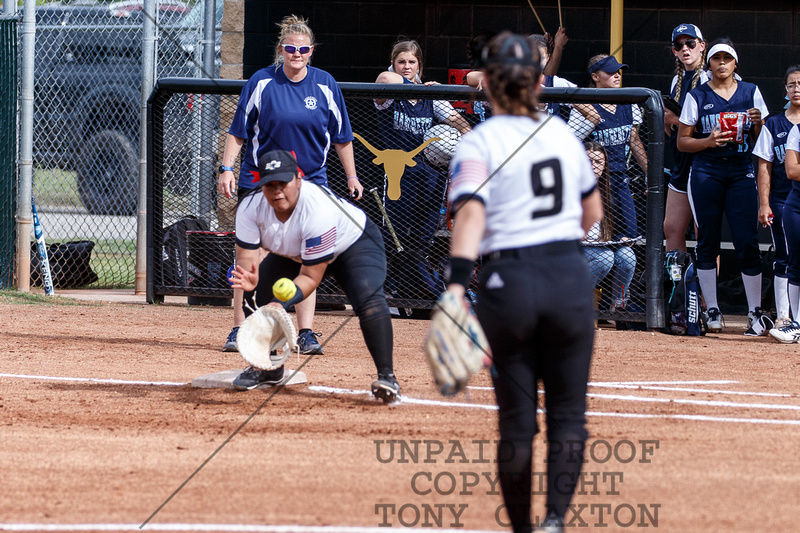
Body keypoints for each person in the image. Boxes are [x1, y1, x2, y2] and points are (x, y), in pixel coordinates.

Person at [445, 32, 602, 532]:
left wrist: (454, 286)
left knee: (516, 422)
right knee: (568, 416)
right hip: (567, 280)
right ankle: (555, 520)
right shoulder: (560, 135)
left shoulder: (478, 140)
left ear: (487, 83)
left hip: (506, 283)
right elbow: (590, 213)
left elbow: (469, 217)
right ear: (537, 82)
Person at [217, 15, 363, 355]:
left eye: (303, 49)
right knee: (250, 257)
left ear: (311, 51)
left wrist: (352, 176)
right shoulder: (262, 81)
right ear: (281, 50)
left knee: (307, 257)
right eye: (290, 48)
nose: (296, 54)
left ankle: (306, 332)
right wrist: (226, 168)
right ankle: (240, 328)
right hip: (259, 180)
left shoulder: (325, 84)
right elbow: (238, 131)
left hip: (310, 183)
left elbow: (342, 138)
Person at [228, 150, 400, 402]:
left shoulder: (317, 209)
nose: (277, 191)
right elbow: (247, 261)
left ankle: (387, 376)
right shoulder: (250, 208)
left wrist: (281, 303)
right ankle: (270, 368)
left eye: (283, 183)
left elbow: (310, 277)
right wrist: (251, 280)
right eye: (269, 185)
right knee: (253, 295)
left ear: (299, 180)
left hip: (353, 244)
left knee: (368, 300)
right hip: (297, 252)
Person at [677, 38, 769, 334]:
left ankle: (755, 311)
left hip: (741, 169)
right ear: (710, 62)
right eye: (716, 58)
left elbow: (763, 143)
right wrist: (708, 141)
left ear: (735, 64)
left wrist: (757, 124)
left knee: (746, 240)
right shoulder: (697, 95)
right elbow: (682, 142)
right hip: (707, 169)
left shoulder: (750, 92)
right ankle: (712, 308)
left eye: (726, 59)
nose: (721, 63)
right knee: (708, 239)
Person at [373, 39, 471, 300]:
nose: (406, 67)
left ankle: (415, 288)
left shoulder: (430, 94)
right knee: (393, 230)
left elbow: (456, 120)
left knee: (422, 235)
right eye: (401, 62)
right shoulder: (391, 88)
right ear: (393, 63)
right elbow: (384, 80)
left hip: (430, 175)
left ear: (420, 65)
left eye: (412, 62)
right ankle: (385, 288)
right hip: (398, 174)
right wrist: (414, 85)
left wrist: (469, 137)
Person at [568, 54, 649, 241]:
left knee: (629, 233)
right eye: (610, 71)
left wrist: (649, 173)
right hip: (595, 182)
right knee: (600, 235)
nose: (617, 75)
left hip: (620, 179)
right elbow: (571, 142)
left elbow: (635, 140)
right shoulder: (586, 109)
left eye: (618, 71)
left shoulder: (628, 103)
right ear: (595, 77)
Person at [753, 66, 800, 329]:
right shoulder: (774, 123)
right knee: (785, 254)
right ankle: (784, 315)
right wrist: (764, 202)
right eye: (792, 84)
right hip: (784, 200)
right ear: (785, 89)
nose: (797, 89)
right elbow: (764, 166)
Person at [663, 24, 708, 252]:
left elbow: (708, 129)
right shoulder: (676, 81)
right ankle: (677, 285)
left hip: (703, 164)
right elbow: (671, 133)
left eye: (690, 44)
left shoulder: (710, 80)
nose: (685, 49)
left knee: (704, 231)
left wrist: (674, 120)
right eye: (679, 45)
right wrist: (667, 122)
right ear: (674, 51)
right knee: (671, 227)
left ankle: (704, 289)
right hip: (681, 163)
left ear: (702, 46)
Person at [582, 141, 636, 312]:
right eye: (588, 161)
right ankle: (572, 298)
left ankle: (618, 305)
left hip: (602, 244)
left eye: (598, 162)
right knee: (604, 257)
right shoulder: (569, 186)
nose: (593, 166)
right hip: (577, 247)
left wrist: (623, 238)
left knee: (627, 256)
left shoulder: (611, 189)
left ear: (605, 166)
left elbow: (629, 229)